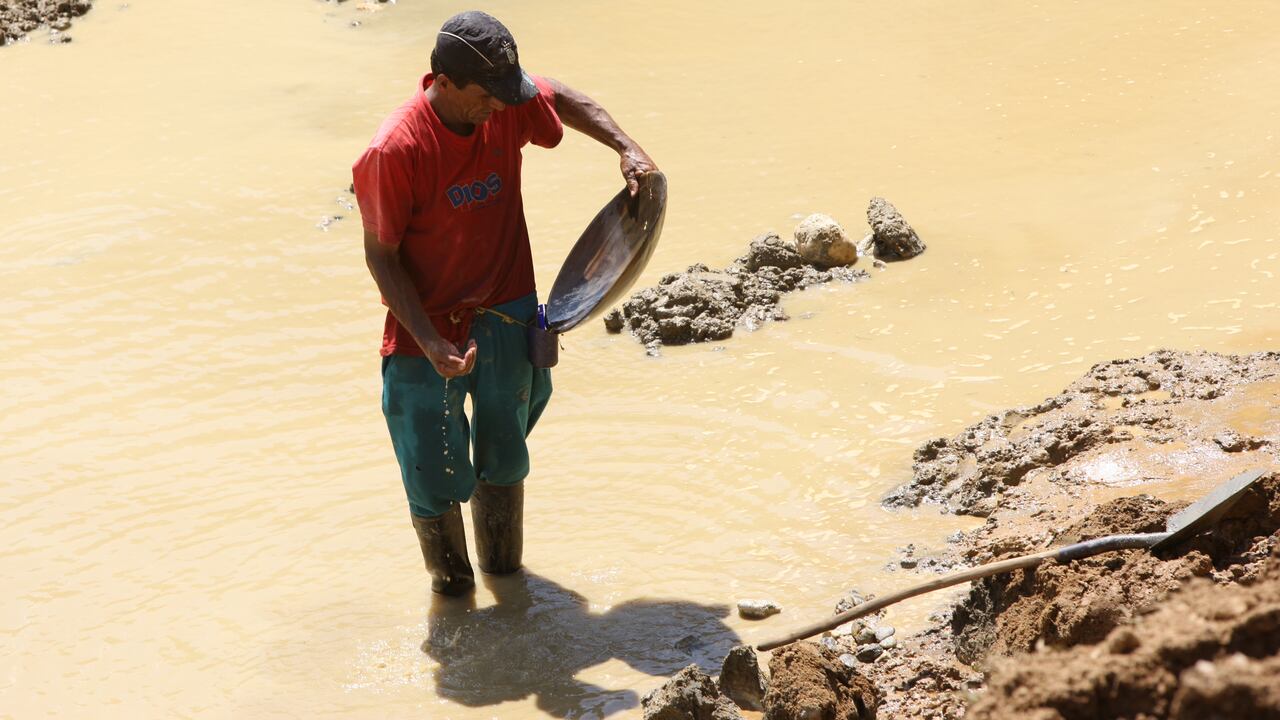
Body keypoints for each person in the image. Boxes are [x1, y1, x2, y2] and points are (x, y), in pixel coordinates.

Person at [352, 10, 657, 595]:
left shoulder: (503, 103)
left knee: (506, 457)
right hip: (426, 328)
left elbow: (555, 95)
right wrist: (430, 341)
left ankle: (508, 584)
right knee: (431, 471)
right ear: (443, 82)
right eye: (485, 95)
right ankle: (452, 594)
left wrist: (625, 147)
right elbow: (382, 257)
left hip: (507, 309)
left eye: (505, 93)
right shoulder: (394, 151)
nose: (499, 106)